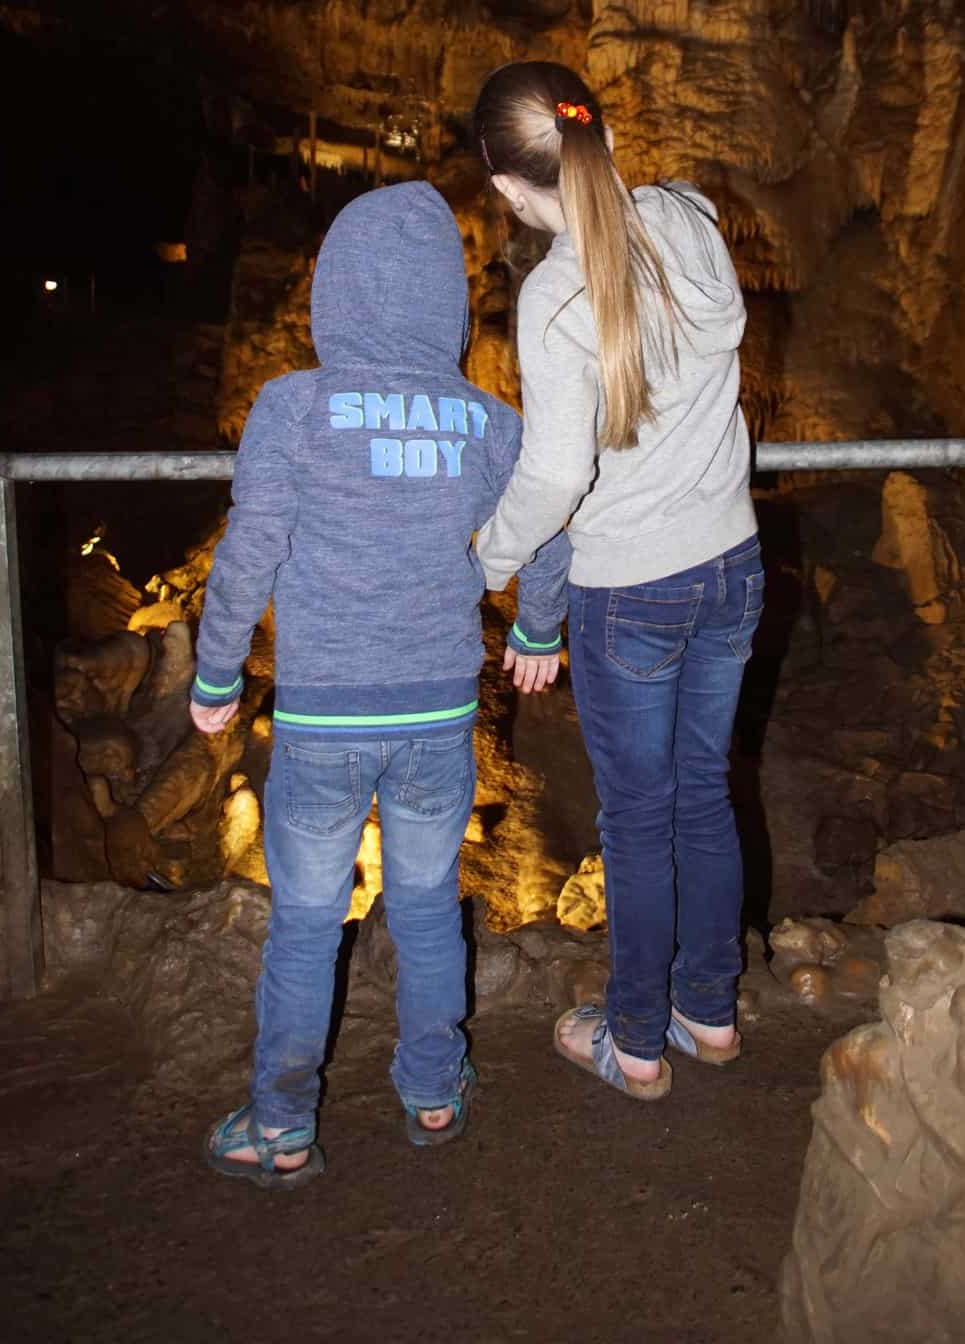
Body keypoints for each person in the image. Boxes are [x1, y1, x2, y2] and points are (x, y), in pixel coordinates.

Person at [189, 180, 568, 1186]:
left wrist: (215, 673)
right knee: (426, 903)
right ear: (444, 298)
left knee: (307, 925)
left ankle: (282, 1124)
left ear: (339, 292)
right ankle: (434, 1091)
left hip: (320, 718)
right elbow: (548, 526)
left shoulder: (292, 407)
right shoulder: (487, 423)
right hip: (439, 713)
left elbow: (247, 554)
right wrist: (538, 624)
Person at [472, 61, 763, 1102]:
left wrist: (487, 560)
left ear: (507, 188)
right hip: (729, 568)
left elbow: (553, 474)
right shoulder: (687, 218)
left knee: (637, 821)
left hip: (630, 591)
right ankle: (708, 1012)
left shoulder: (555, 297)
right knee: (701, 800)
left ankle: (634, 1042)